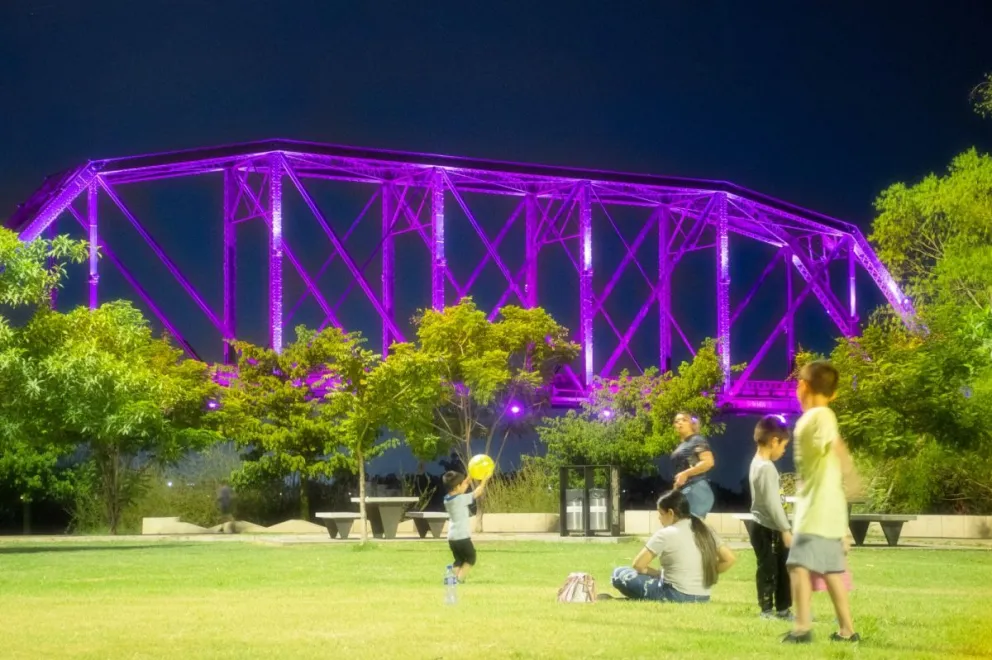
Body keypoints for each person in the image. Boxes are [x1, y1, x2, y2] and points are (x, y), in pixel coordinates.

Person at [783, 360, 861, 644]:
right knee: (830, 572)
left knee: (798, 566)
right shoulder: (822, 415)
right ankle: (847, 631)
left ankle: (802, 629)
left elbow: (835, 443)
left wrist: (851, 473)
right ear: (835, 393)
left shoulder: (819, 415)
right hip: (828, 509)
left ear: (802, 386)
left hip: (815, 510)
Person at [607, 490, 736, 602]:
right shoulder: (705, 529)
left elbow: (638, 565)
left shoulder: (666, 534)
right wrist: (705, 572)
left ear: (671, 513)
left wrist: (657, 573)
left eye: (661, 514)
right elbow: (730, 559)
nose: (659, 518)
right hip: (703, 596)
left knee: (619, 573)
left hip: (674, 595)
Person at [748, 415, 793, 620]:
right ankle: (767, 611)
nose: (784, 451)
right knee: (769, 570)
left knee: (781, 568)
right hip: (769, 527)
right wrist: (785, 529)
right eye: (783, 446)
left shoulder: (757, 463)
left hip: (769, 525)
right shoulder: (765, 468)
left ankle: (783, 609)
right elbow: (772, 503)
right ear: (774, 441)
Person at [442, 470, 491, 583]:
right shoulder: (460, 499)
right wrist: (484, 479)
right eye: (461, 484)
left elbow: (461, 488)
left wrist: (471, 475)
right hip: (462, 537)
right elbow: (477, 492)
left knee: (459, 560)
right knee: (471, 558)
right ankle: (459, 579)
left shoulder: (447, 499)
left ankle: (450, 578)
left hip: (452, 537)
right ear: (457, 486)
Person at [670, 411, 716, 518]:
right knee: (685, 530)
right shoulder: (683, 444)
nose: (680, 423)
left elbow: (708, 462)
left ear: (692, 424)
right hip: (686, 490)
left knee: (689, 529)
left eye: (684, 420)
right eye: (676, 421)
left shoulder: (697, 440)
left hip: (696, 489)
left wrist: (685, 474)